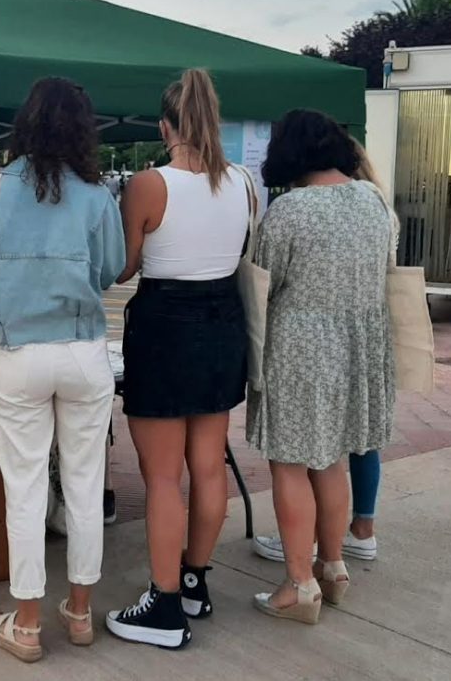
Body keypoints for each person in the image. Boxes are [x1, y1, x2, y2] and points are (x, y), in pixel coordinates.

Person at [0, 77, 125, 663]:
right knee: (84, 485)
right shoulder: (97, 193)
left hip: (20, 353)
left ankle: (27, 623)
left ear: (26, 124)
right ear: (84, 129)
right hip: (83, 351)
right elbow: (110, 268)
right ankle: (79, 611)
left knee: (25, 486)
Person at [105, 68, 251, 650]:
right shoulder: (244, 181)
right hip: (223, 324)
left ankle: (163, 607)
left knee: (162, 476)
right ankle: (194, 582)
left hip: (164, 324)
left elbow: (123, 267)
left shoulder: (147, 184)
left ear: (165, 126)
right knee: (208, 465)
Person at [246, 109, 395, 625]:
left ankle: (298, 584)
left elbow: (264, 283)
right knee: (331, 459)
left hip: (300, 346)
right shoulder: (373, 201)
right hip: (358, 343)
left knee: (289, 462)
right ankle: (333, 567)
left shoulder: (290, 212)